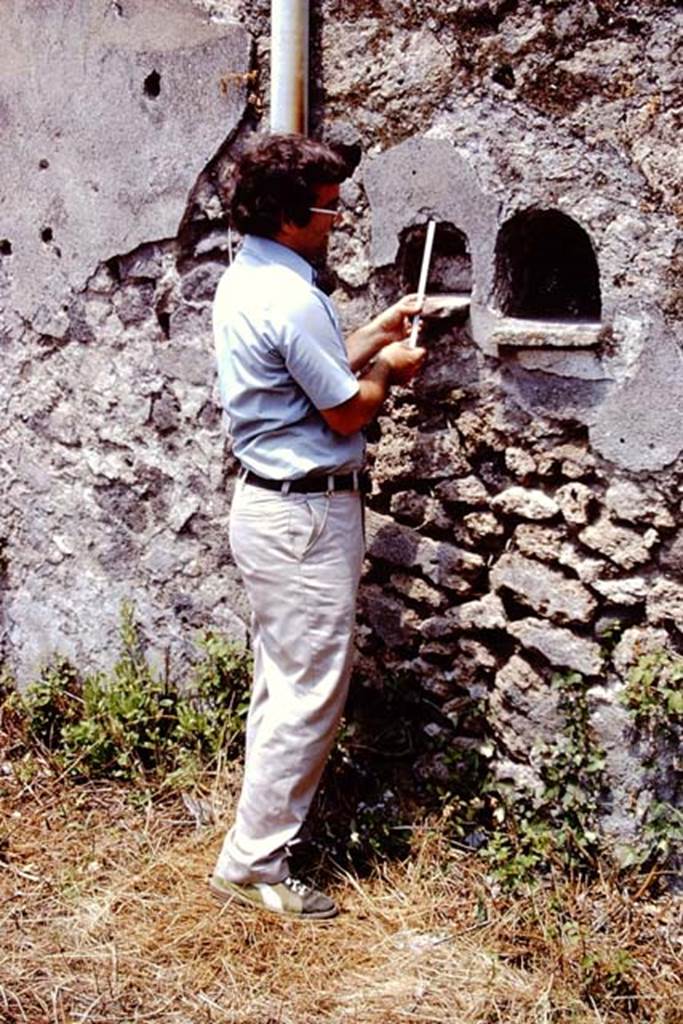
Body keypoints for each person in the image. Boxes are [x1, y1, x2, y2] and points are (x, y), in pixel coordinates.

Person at [210, 133, 425, 920]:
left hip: (272, 508)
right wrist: (388, 371)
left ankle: (255, 841)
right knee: (307, 695)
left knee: (284, 685)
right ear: (292, 215)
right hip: (303, 513)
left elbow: (312, 371)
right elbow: (344, 409)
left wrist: (374, 332)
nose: (338, 217)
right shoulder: (293, 296)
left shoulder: (252, 279)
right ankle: (253, 864)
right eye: (330, 205)